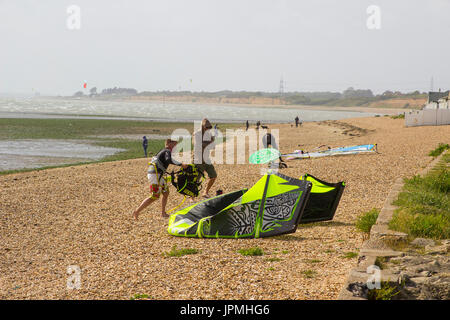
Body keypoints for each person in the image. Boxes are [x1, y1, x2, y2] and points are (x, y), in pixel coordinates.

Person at [133, 139, 187, 220]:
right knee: (154, 196)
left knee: (166, 192)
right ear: (169, 144)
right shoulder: (166, 151)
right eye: (174, 145)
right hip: (155, 175)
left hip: (158, 175)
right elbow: (169, 160)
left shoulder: (165, 151)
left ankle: (163, 213)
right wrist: (181, 164)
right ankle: (137, 211)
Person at [193, 118, 218, 198]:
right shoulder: (196, 133)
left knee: (213, 176)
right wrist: (209, 143)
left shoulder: (209, 134)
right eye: (206, 127)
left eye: (209, 127)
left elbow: (213, 146)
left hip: (206, 158)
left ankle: (205, 192)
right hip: (198, 159)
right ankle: (191, 197)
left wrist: (213, 139)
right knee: (196, 179)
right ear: (203, 126)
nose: (208, 129)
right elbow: (198, 146)